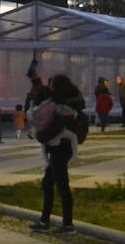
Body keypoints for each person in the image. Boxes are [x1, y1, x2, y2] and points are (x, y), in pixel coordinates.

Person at [29, 74, 85, 234]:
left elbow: (56, 127)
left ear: (59, 87)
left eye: (52, 84)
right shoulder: (61, 102)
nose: (49, 87)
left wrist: (42, 135)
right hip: (58, 148)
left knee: (61, 185)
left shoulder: (61, 105)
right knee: (48, 184)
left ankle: (67, 225)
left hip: (61, 148)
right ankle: (45, 221)